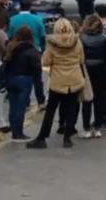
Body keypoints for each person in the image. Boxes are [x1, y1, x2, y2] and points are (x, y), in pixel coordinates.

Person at [27, 18, 86, 149]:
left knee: (51, 109)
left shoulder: (52, 44)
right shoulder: (77, 42)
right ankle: (67, 138)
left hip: (58, 80)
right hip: (75, 79)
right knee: (71, 108)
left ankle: (42, 137)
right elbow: (81, 59)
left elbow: (46, 62)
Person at [4, 26, 46, 142]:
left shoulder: (11, 48)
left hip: (11, 78)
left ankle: (13, 129)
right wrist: (40, 98)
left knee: (13, 106)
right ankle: (18, 133)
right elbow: (37, 76)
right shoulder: (32, 52)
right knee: (21, 107)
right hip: (24, 80)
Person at [79, 15, 106, 138]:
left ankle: (86, 127)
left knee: (87, 100)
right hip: (101, 70)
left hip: (86, 71)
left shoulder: (81, 39)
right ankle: (98, 127)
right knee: (100, 100)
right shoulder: (104, 39)